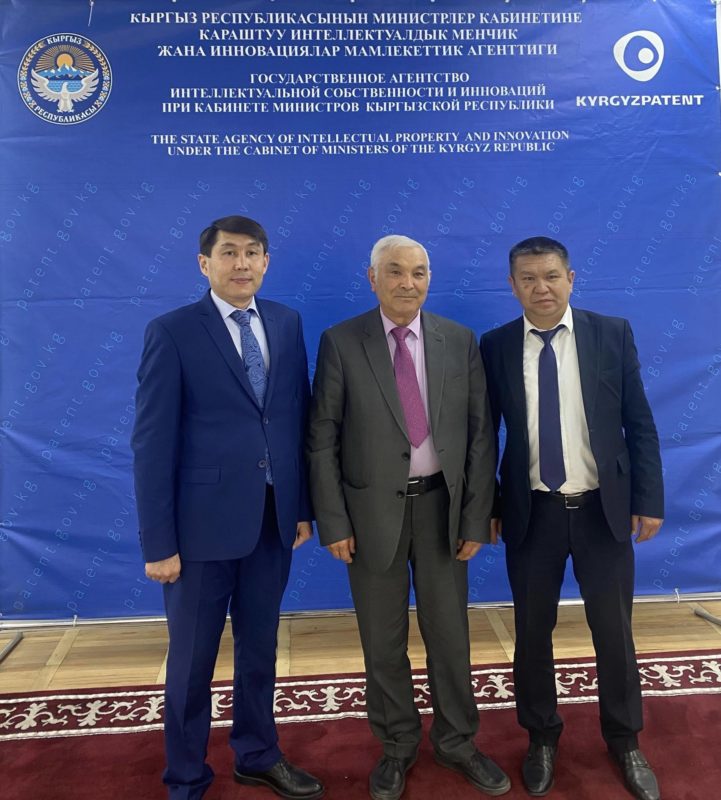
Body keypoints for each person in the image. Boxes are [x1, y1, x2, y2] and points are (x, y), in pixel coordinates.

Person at [307, 235, 510, 800]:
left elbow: (481, 434)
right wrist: (333, 521)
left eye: (418, 272)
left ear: (429, 278)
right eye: (394, 271)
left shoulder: (458, 340)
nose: (407, 282)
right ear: (371, 278)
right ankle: (396, 744)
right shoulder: (341, 342)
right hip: (370, 516)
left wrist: (476, 516)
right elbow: (321, 438)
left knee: (450, 637)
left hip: (444, 511)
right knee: (383, 640)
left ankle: (457, 741)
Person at [131, 215, 324, 800]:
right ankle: (186, 776)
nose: (242, 263)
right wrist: (159, 543)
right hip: (198, 533)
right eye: (229, 252)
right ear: (204, 263)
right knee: (192, 663)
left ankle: (257, 754)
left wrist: (301, 506)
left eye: (253, 253)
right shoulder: (172, 331)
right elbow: (151, 442)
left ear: (266, 262)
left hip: (271, 521)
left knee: (260, 649)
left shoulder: (286, 322)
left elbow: (295, 418)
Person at [479, 236, 664, 800]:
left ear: (571, 278)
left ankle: (625, 739)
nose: (542, 288)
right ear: (512, 285)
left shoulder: (611, 334)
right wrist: (489, 506)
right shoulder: (496, 345)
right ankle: (540, 737)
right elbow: (484, 435)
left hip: (601, 511)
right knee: (532, 633)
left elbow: (639, 421)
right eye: (528, 278)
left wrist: (649, 498)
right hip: (531, 513)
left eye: (551, 276)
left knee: (614, 633)